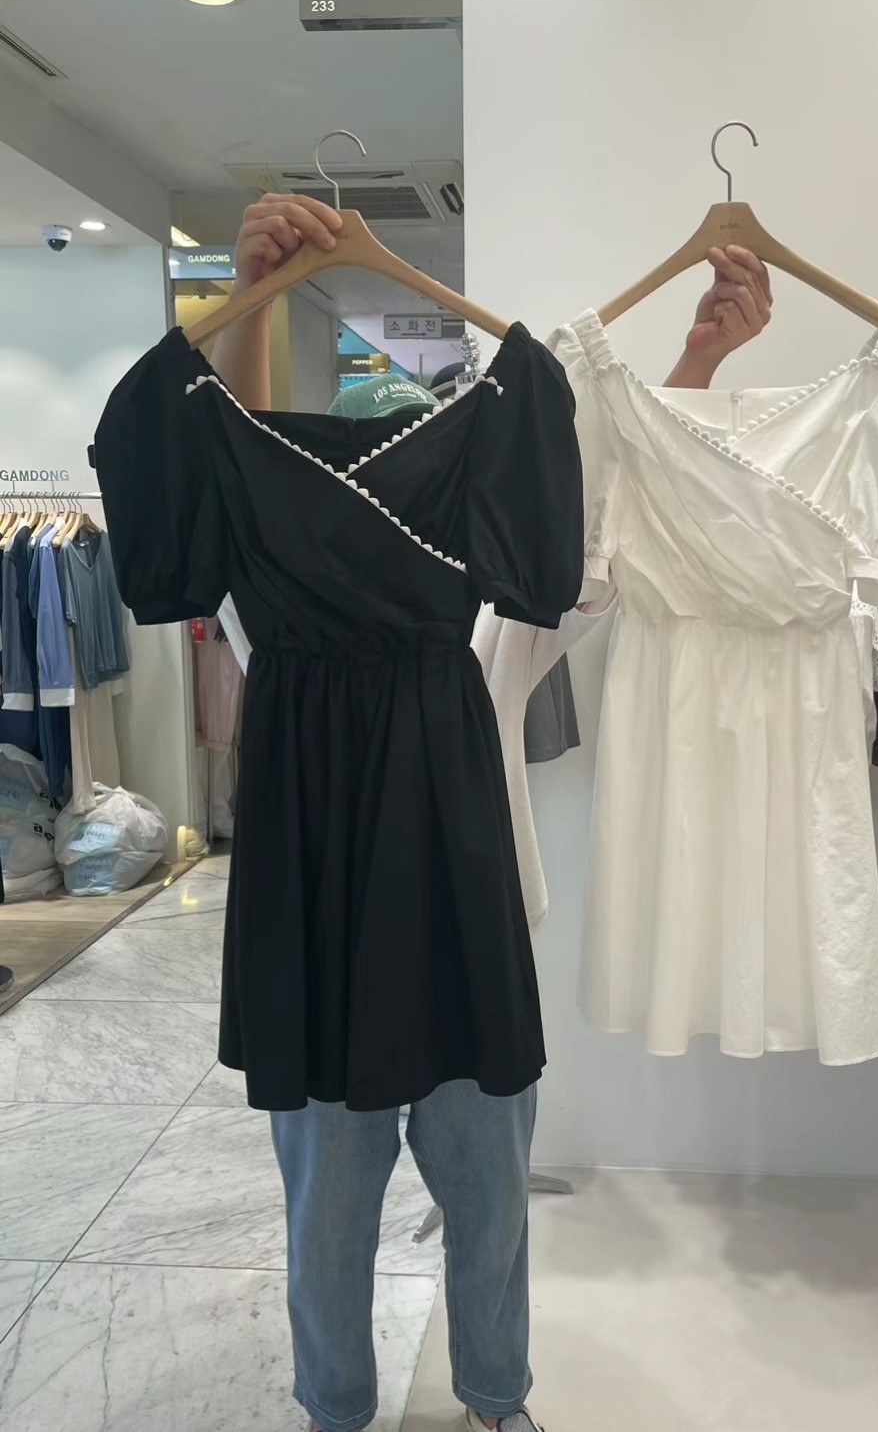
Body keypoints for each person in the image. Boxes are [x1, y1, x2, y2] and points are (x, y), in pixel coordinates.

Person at [211, 193, 773, 1432]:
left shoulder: (497, 598)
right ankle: (336, 1407)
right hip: (322, 935)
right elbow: (239, 478)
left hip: (474, 929)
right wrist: (248, 308)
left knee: (490, 1201)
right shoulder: (287, 615)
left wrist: (695, 367)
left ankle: (495, 1398)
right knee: (327, 1210)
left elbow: (615, 523)